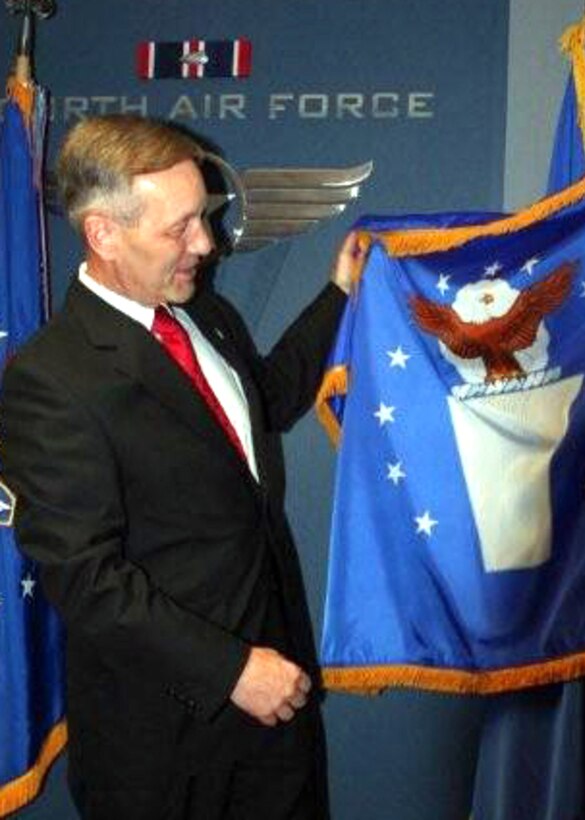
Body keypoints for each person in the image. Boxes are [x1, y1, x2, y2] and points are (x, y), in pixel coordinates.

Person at [0, 114, 361, 820]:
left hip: (274, 713)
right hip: (165, 748)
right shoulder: (52, 378)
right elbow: (85, 579)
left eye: (205, 218)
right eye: (181, 228)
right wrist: (231, 672)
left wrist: (340, 294)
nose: (206, 243)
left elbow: (267, 399)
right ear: (104, 232)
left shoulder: (207, 315)